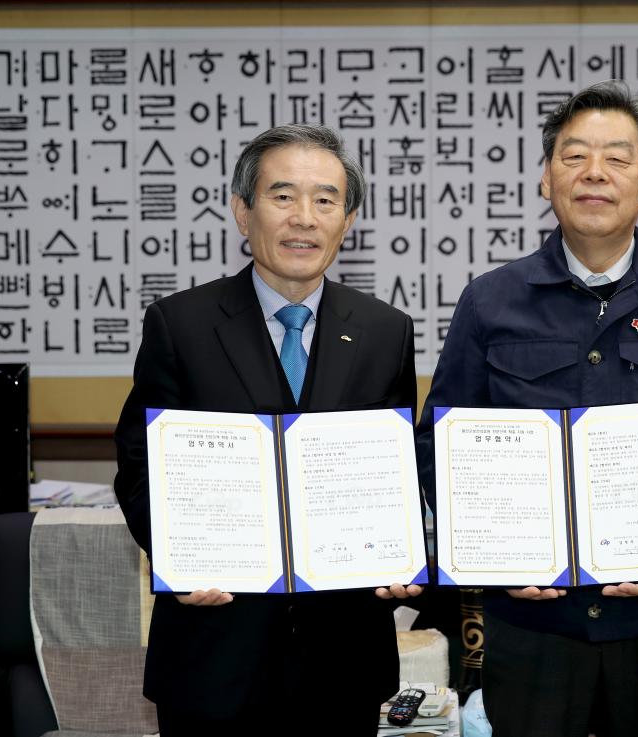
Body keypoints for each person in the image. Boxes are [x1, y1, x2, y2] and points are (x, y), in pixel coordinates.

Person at [416, 81, 638, 737]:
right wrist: (498, 552)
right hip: (531, 624)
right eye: (574, 154)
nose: (594, 173)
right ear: (546, 178)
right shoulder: (491, 302)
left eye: (617, 157)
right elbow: (438, 448)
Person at [115, 124, 421, 736]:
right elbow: (139, 464)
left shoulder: (386, 331)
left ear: (348, 219)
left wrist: (405, 551)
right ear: (242, 212)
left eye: (325, 200)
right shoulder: (180, 325)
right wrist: (178, 558)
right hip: (214, 649)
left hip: (343, 657)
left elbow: (399, 469)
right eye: (282, 196)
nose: (304, 218)